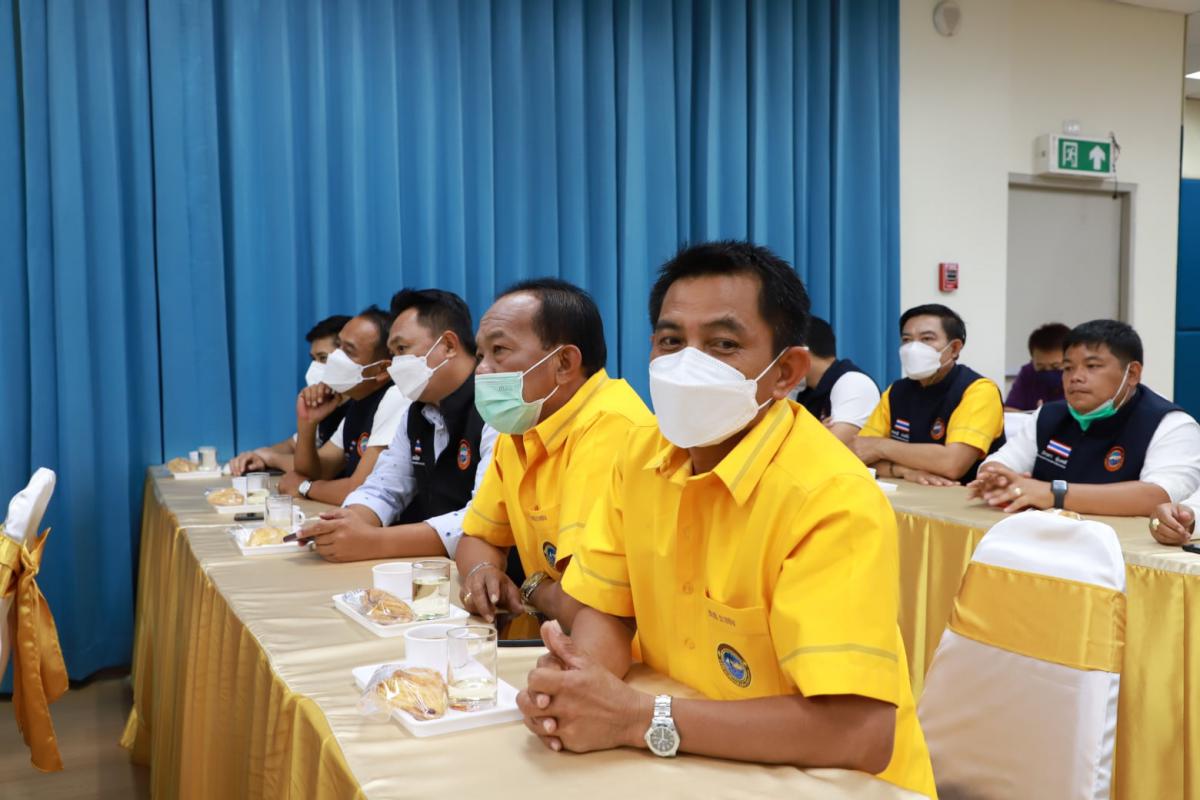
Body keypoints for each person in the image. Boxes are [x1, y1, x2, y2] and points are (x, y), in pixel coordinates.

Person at [515, 241, 935, 798]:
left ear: (785, 372)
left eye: (723, 344)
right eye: (671, 341)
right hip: (689, 756)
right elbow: (608, 611)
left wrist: (637, 717)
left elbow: (859, 732)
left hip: (828, 782)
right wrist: (578, 683)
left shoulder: (829, 496)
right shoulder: (639, 455)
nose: (688, 365)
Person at [455, 278, 653, 627]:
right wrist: (482, 571)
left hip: (616, 647)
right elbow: (477, 537)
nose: (482, 369)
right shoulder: (522, 425)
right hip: (555, 632)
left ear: (564, 362)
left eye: (499, 350)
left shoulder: (611, 428)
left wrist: (529, 587)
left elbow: (583, 602)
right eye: (480, 354)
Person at [296, 289, 497, 562]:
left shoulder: (495, 408)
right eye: (392, 354)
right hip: (432, 566)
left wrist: (372, 542)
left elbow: (485, 516)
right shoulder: (417, 411)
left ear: (449, 345)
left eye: (402, 350)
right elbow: (385, 487)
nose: (395, 365)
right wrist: (345, 522)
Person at [969, 320, 1200, 517]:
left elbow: (1158, 496)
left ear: (1132, 374)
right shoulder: (1048, 415)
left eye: (1092, 366)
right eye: (1067, 368)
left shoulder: (1170, 424)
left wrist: (1053, 494)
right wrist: (996, 478)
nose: (1076, 377)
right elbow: (1001, 462)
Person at [850, 304, 1004, 485]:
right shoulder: (896, 391)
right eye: (907, 340)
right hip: (909, 492)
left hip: (965, 496)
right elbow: (858, 452)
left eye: (927, 339)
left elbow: (952, 464)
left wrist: (881, 446)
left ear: (954, 348)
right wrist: (902, 471)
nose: (914, 348)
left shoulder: (978, 390)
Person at [277, 307, 408, 505]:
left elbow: (360, 490)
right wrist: (307, 423)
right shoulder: (358, 400)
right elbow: (320, 471)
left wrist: (304, 487)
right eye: (338, 347)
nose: (335, 358)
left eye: (348, 351)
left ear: (382, 370)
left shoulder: (396, 396)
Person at [228, 314, 351, 476]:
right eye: (313, 359)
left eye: (323, 358)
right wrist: (257, 454)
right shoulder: (328, 403)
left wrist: (270, 457)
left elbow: (319, 467)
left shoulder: (357, 407)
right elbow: (293, 444)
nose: (315, 367)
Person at [790, 316, 880, 444]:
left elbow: (829, 447)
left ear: (801, 353)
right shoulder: (803, 390)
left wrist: (805, 433)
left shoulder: (853, 383)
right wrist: (815, 431)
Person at [1004, 322, 1069, 411]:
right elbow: (1009, 409)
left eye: (1055, 367)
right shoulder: (1028, 373)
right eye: (1041, 367)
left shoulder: (1078, 377)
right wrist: (1034, 416)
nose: (1048, 371)